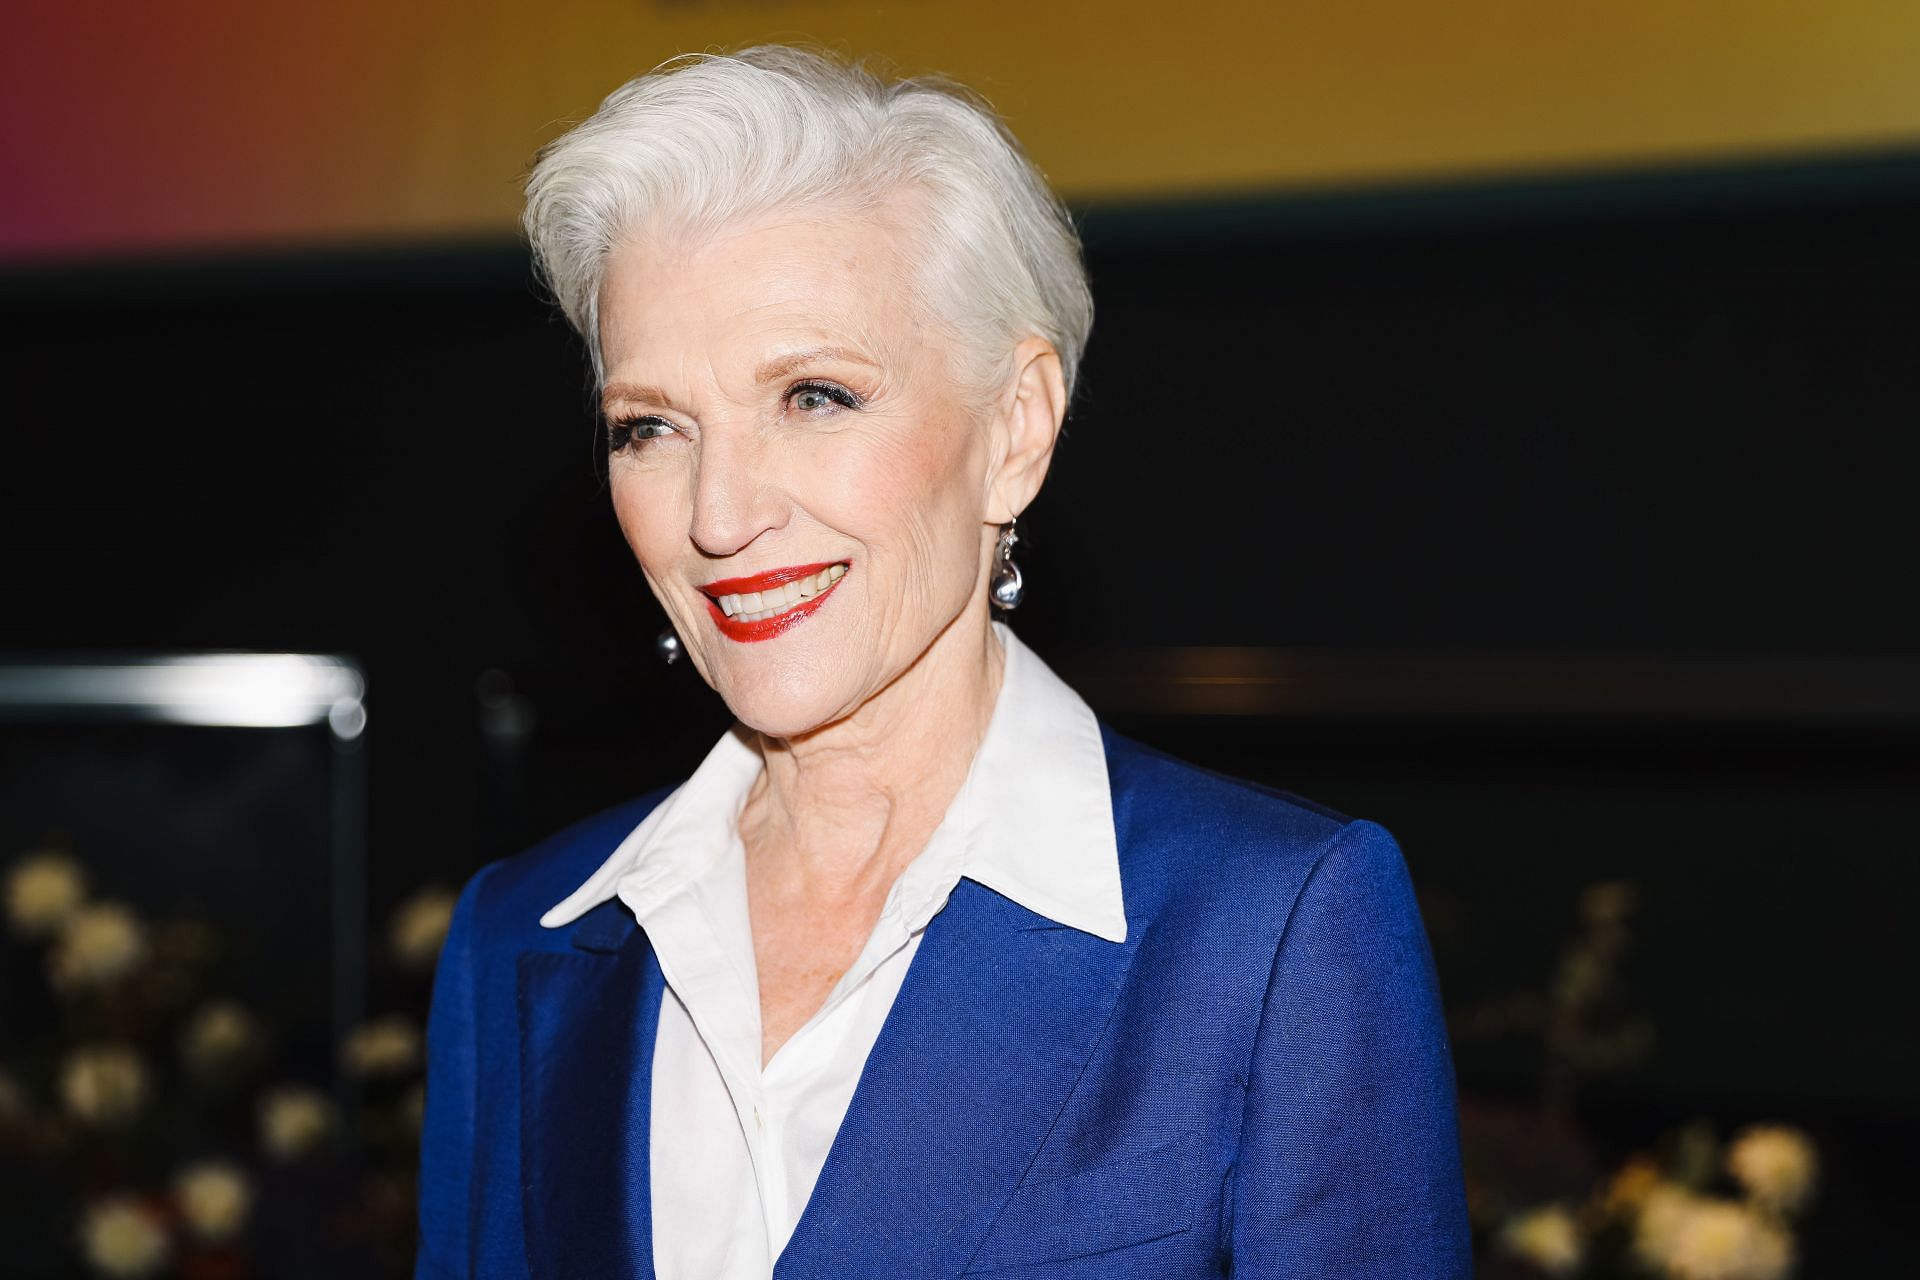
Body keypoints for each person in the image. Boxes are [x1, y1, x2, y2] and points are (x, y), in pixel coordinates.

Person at [415, 45, 1469, 1280]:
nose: (716, 511)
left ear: (1016, 426)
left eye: (814, 395)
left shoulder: (1269, 932)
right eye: (652, 426)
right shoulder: (520, 939)